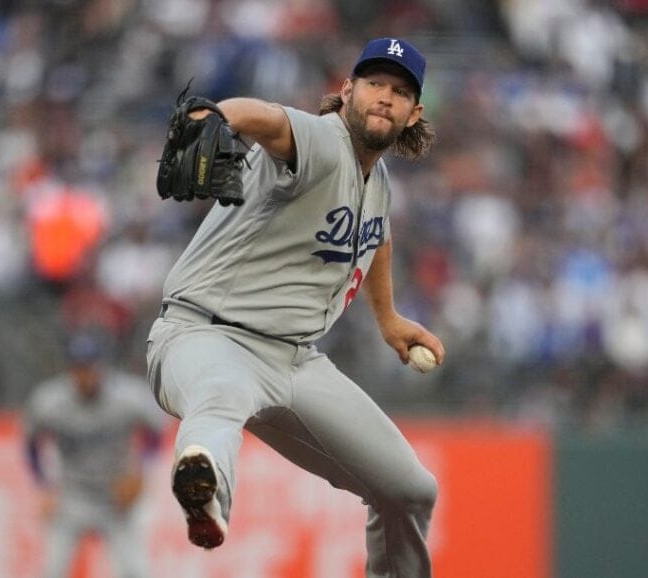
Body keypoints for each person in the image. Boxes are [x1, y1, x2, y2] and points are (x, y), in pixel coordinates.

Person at [146, 38, 446, 578]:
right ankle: (204, 489)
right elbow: (267, 120)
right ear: (348, 90)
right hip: (207, 335)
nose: (385, 97)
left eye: (399, 91)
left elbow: (376, 237)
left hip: (295, 360)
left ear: (414, 112)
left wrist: (389, 318)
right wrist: (217, 115)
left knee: (410, 490)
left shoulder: (375, 180)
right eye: (375, 84)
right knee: (217, 403)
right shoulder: (322, 139)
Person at [24, 333, 166, 578]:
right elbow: (31, 443)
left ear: (101, 366)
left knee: (136, 572)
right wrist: (43, 485)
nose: (85, 375)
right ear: (70, 369)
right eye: (79, 368)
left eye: (90, 366)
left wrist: (141, 471)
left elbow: (156, 431)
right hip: (72, 494)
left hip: (116, 495)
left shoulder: (127, 396)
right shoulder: (50, 401)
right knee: (52, 571)